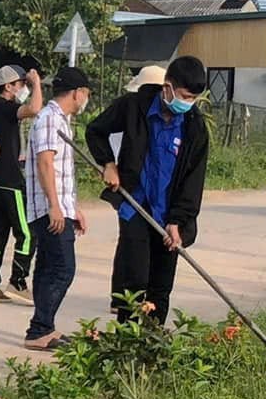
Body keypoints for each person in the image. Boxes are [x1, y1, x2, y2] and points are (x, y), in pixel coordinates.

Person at [85, 55, 212, 325]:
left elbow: (193, 181)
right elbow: (96, 130)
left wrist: (178, 221)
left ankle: (152, 344)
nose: (187, 104)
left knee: (161, 284)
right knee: (134, 280)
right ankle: (125, 343)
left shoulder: (195, 127)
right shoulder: (134, 107)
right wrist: (108, 164)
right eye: (185, 96)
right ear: (167, 87)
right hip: (136, 205)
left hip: (169, 216)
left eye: (193, 100)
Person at [23, 67, 94, 351]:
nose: (85, 99)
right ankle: (41, 327)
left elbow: (62, 170)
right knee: (63, 268)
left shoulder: (59, 120)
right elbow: (45, 163)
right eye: (86, 94)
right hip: (49, 208)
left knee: (47, 267)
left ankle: (42, 329)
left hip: (58, 205)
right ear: (78, 93)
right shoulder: (50, 119)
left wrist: (71, 206)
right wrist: (54, 205)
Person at [0, 64, 42, 304]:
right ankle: (18, 281)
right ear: (9, 87)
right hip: (10, 180)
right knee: (27, 233)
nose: (24, 88)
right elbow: (35, 108)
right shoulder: (6, 109)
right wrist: (37, 84)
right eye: (21, 84)